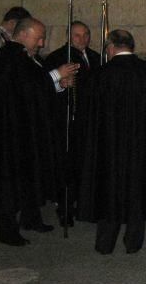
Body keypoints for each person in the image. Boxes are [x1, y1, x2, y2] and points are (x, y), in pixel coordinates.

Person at [77, 29, 146, 254]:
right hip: (141, 146)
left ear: (111, 47)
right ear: (131, 46)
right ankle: (133, 242)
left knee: (108, 190)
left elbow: (90, 118)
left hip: (109, 147)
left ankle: (105, 242)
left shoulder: (101, 75)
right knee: (137, 190)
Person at [0, 18, 78, 245]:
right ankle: (8, 230)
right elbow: (28, 87)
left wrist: (59, 85)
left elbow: (36, 91)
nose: (41, 42)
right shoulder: (9, 58)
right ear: (24, 34)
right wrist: (57, 74)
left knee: (29, 176)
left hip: (25, 129)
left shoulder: (26, 59)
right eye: (38, 37)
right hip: (11, 132)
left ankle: (31, 217)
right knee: (12, 180)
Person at [43, 20, 102, 225]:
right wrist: (61, 83)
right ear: (68, 36)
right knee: (67, 164)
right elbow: (45, 87)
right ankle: (65, 206)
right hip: (66, 119)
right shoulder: (58, 57)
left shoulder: (95, 56)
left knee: (85, 163)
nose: (82, 39)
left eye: (86, 34)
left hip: (89, 119)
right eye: (77, 35)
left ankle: (84, 203)